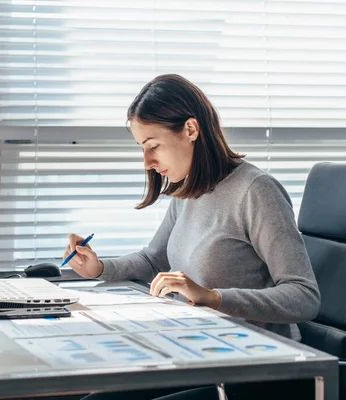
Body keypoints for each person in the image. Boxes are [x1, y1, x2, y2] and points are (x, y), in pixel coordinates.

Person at [64, 74, 320, 400]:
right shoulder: (188, 191)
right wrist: (99, 268)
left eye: (153, 146)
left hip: (255, 371)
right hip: (196, 355)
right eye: (142, 148)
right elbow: (153, 259)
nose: (147, 162)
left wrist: (214, 297)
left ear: (190, 129)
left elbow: (304, 297)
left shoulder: (256, 192)